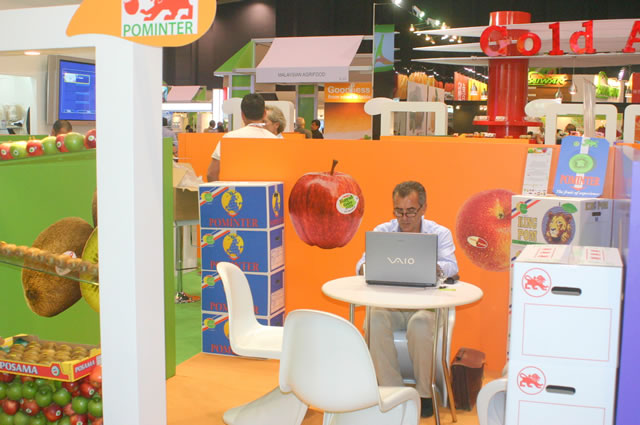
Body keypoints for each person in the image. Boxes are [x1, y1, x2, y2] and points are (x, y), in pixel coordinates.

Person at [355, 181, 458, 418]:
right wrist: (368, 268)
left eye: (410, 211)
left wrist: (432, 267)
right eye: (398, 211)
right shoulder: (383, 231)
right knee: (374, 319)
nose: (404, 218)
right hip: (391, 305)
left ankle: (424, 394)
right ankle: (393, 392)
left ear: (423, 208)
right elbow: (361, 264)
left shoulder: (439, 233)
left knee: (420, 324)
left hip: (427, 307)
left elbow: (452, 266)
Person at [206, 93, 276, 182]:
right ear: (264, 114)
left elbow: (211, 173)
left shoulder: (229, 138)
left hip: (234, 190)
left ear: (242, 115)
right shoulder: (276, 140)